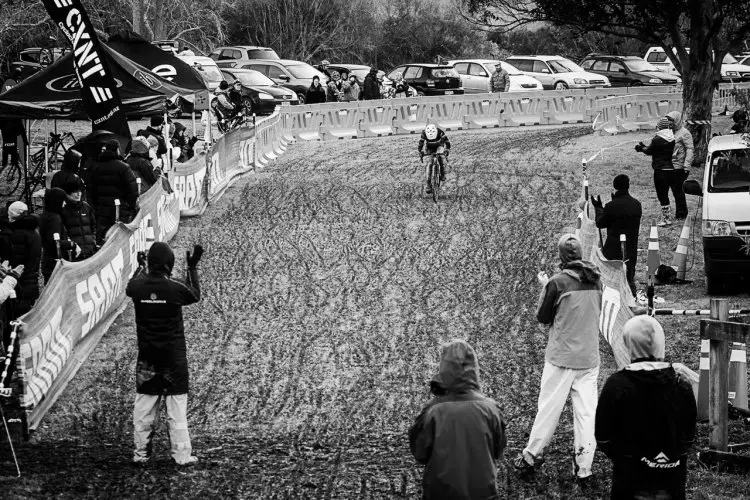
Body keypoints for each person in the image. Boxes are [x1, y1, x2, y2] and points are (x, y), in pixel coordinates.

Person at [514, 234, 602, 483]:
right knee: (586, 414)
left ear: (561, 256)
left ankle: (531, 455)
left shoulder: (557, 282)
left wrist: (545, 286)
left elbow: (543, 317)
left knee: (549, 409)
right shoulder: (597, 281)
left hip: (561, 357)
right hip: (589, 358)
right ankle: (584, 467)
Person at [596, 315, 697, 500]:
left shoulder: (617, 385)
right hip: (671, 480)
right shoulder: (681, 385)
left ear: (628, 344)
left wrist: (623, 457)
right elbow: (689, 437)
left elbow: (603, 437)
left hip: (629, 480)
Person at [126, 242, 203, 466]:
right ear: (170, 263)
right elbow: (194, 294)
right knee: (176, 410)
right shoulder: (173, 288)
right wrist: (192, 268)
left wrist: (140, 267)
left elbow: (130, 286)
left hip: (148, 358)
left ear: (150, 262)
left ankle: (140, 455)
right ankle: (181, 456)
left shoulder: (139, 288)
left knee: (144, 408)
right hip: (173, 359)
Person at [409, 339, 506, 500]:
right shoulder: (491, 409)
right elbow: (498, 450)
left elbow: (420, 453)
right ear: (474, 370)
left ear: (444, 369)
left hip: (441, 493)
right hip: (483, 493)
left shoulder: (433, 410)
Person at [592, 174, 642, 296]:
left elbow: (600, 223)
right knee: (629, 276)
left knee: (611, 279)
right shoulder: (636, 204)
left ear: (615, 187)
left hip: (613, 248)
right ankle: (631, 295)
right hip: (631, 246)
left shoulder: (610, 206)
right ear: (628, 186)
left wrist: (599, 208)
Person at [88, 140, 139, 244]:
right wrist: (132, 206)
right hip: (120, 209)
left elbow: (91, 190)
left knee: (102, 237)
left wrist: (95, 206)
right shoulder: (123, 168)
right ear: (117, 150)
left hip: (101, 209)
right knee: (119, 238)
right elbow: (132, 190)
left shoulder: (95, 167)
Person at [636, 116, 676, 227]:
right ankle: (667, 217)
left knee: (661, 195)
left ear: (659, 127)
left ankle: (666, 218)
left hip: (660, 170)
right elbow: (655, 150)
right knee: (666, 194)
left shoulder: (657, 138)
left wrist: (641, 148)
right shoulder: (671, 138)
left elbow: (649, 151)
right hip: (670, 168)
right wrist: (645, 147)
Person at [6, 201, 41, 318]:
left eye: (9, 213)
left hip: (21, 283)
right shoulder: (34, 232)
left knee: (19, 317)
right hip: (32, 280)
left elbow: (16, 260)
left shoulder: (18, 234)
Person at [38, 187, 79, 283]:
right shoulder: (54, 219)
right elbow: (54, 242)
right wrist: (72, 244)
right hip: (55, 262)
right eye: (63, 201)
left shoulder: (45, 216)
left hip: (49, 262)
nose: (64, 204)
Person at [61, 178, 97, 261]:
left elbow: (93, 226)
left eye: (80, 191)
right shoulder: (63, 210)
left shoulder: (86, 207)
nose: (78, 194)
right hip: (74, 255)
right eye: (75, 192)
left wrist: (93, 241)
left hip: (90, 253)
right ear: (68, 193)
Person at [665, 111, 693, 220]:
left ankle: (682, 213)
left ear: (676, 120)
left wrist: (686, 164)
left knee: (678, 189)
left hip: (680, 167)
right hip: (670, 166)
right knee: (675, 190)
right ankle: (680, 212)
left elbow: (690, 149)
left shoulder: (685, 133)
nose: (670, 122)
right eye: (668, 120)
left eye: (671, 120)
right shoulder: (669, 132)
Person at [418, 124, 451, 194]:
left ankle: (442, 173)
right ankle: (428, 184)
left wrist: (447, 149)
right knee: (430, 163)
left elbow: (447, 142)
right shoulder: (424, 133)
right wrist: (420, 151)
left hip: (439, 145)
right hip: (429, 147)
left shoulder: (440, 132)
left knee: (441, 158)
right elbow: (421, 143)